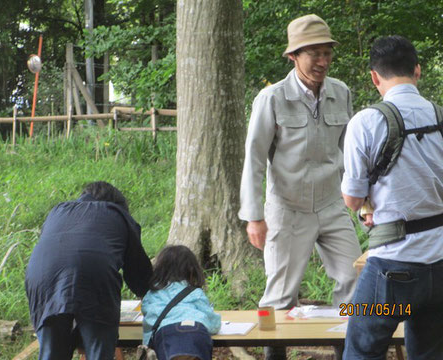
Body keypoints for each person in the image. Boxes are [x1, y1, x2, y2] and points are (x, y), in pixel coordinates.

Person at [239, 13, 361, 360]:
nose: (322, 61)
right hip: (287, 208)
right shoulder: (272, 98)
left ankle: (345, 352)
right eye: (314, 54)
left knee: (355, 280)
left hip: (331, 204)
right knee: (279, 295)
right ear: (294, 56)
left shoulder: (341, 93)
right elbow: (254, 158)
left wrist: (361, 199)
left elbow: (347, 151)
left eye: (327, 53)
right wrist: (254, 216)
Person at [341, 35, 443, 359]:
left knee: (361, 350)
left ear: (374, 77)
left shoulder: (366, 122)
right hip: (440, 267)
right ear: (418, 70)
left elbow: (352, 199)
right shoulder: (440, 118)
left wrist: (370, 207)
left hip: (393, 269)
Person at [25, 181, 153, 360]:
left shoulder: (57, 211)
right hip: (93, 276)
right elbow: (139, 273)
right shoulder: (117, 213)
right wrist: (150, 297)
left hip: (41, 278)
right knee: (98, 350)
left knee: (52, 353)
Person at [141, 245, 221, 360]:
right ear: (192, 270)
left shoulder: (153, 293)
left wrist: (147, 344)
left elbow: (149, 323)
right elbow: (214, 324)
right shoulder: (195, 292)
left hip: (167, 334)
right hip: (197, 332)